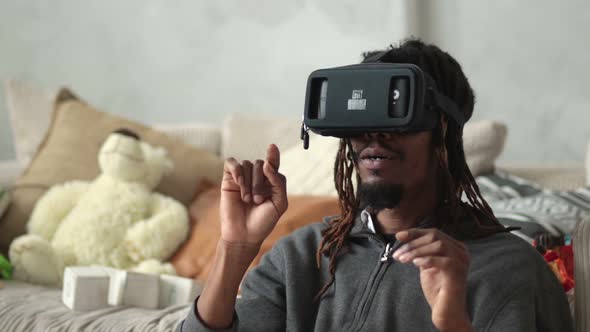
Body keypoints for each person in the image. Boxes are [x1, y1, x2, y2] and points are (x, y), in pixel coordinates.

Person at [177, 39, 574, 331]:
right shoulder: (303, 255)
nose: (372, 136)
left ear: (443, 132)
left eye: (394, 111)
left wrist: (453, 319)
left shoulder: (508, 269)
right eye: (360, 118)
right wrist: (235, 249)